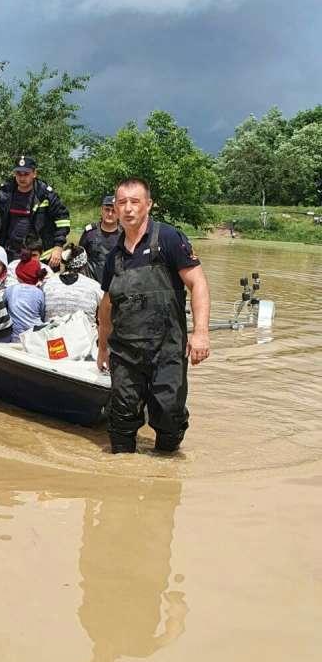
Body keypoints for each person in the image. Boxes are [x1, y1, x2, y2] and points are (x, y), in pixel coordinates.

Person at [97, 177, 211, 455]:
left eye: (135, 202)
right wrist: (102, 348)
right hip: (125, 352)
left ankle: (165, 480)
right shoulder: (114, 257)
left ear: (148, 205)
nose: (127, 208)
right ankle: (120, 480)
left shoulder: (170, 239)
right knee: (120, 419)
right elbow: (107, 306)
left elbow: (198, 283)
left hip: (167, 349)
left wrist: (200, 333)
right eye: (121, 202)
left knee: (169, 414)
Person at [0, 155, 70, 268]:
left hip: (39, 254)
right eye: (19, 173)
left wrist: (58, 247)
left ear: (34, 173)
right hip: (10, 252)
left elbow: (63, 220)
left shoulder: (45, 194)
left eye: (26, 174)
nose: (22, 177)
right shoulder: (6, 192)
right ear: (14, 174)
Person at [42, 244, 103, 325]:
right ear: (84, 264)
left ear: (62, 262)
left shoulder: (47, 285)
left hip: (53, 335)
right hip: (85, 336)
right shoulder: (94, 287)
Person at [79, 195, 122, 284]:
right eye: (107, 210)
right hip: (92, 285)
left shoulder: (125, 234)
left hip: (117, 285)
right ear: (101, 210)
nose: (110, 214)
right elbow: (80, 258)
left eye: (114, 211)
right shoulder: (90, 233)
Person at [4, 257, 47, 342]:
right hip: (35, 337)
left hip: (16, 337)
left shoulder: (10, 290)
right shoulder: (39, 293)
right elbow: (42, 315)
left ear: (19, 275)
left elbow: (3, 309)